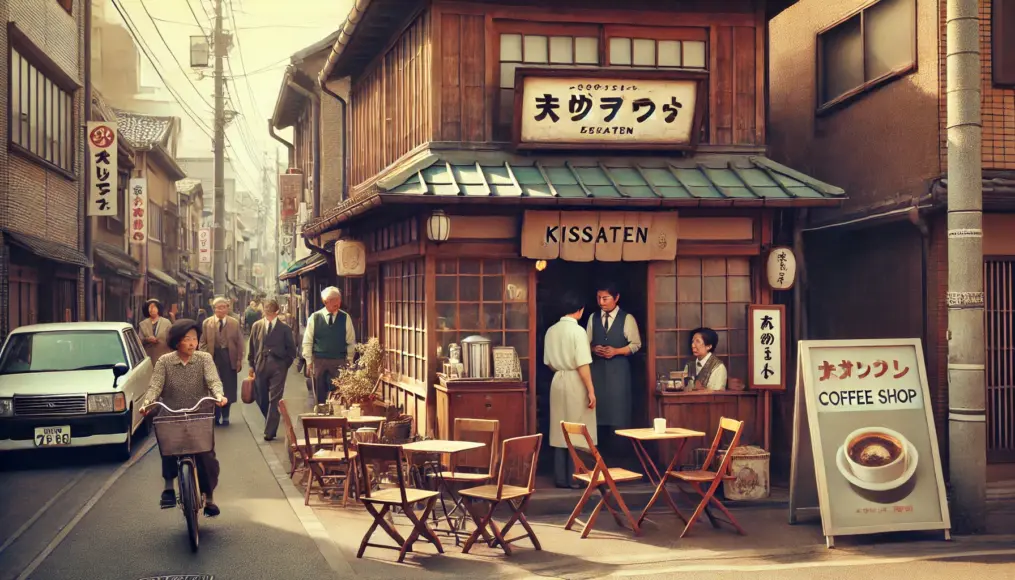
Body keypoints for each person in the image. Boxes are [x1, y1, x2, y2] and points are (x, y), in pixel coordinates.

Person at [142, 319, 228, 516]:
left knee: (207, 456)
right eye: (187, 339)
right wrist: (147, 402)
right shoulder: (164, 361)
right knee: (169, 447)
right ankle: (168, 486)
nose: (192, 344)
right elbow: (155, 386)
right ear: (176, 342)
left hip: (200, 414)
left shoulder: (204, 359)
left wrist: (219, 395)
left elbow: (214, 380)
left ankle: (210, 498)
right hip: (172, 414)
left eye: (195, 339)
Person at [545, 290, 597, 489]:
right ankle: (577, 476)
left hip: (558, 378)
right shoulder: (578, 332)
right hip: (576, 379)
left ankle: (560, 477)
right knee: (578, 428)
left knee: (560, 428)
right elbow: (583, 364)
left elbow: (548, 362)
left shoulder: (551, 331)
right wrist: (591, 390)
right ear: (580, 310)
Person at [586, 282, 642, 453]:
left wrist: (617, 351)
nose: (601, 302)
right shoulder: (593, 318)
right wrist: (594, 348)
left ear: (616, 298)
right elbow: (584, 343)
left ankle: (620, 452)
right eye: (599, 298)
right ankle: (598, 451)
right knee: (597, 408)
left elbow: (636, 344)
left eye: (605, 298)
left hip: (618, 370)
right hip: (597, 370)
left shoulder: (627, 318)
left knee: (619, 408)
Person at [248, 299, 297, 441]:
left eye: (270, 314)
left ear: (277, 313)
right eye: (266, 313)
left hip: (278, 366)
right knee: (261, 397)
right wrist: (251, 365)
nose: (268, 316)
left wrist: (284, 365)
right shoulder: (257, 326)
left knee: (274, 398)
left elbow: (292, 351)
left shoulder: (285, 329)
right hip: (260, 365)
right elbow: (252, 346)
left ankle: (269, 431)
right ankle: (271, 417)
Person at [302, 286, 356, 405]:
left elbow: (351, 341)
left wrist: (350, 360)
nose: (338, 303)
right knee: (319, 392)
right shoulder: (315, 318)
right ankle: (321, 416)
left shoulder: (345, 317)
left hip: (339, 360)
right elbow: (307, 341)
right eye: (334, 300)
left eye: (338, 299)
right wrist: (308, 361)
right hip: (319, 360)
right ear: (325, 302)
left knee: (339, 392)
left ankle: (336, 417)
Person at [199, 297, 244, 425]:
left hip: (229, 356)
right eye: (218, 307)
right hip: (213, 357)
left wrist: (239, 360)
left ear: (227, 308)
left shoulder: (234, 323)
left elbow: (240, 343)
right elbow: (202, 341)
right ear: (214, 309)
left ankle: (226, 416)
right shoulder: (207, 323)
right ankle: (216, 415)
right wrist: (203, 355)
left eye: (223, 307)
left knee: (228, 387)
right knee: (214, 387)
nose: (221, 309)